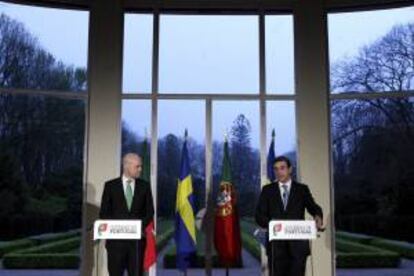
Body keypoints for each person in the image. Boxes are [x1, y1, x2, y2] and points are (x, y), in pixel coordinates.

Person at [255, 156, 324, 276]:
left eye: (282, 168)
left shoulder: (302, 189)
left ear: (290, 169)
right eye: (276, 169)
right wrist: (272, 224)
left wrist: (317, 215)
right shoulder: (267, 190)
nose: (279, 172)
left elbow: (313, 207)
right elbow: (259, 215)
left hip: (298, 247)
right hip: (276, 248)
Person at [99, 153, 154, 276]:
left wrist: (136, 227)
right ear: (126, 165)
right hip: (115, 244)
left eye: (140, 167)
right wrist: (121, 227)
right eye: (137, 166)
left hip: (137, 243)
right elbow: (104, 213)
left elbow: (150, 212)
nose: (140, 169)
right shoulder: (110, 186)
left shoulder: (144, 186)